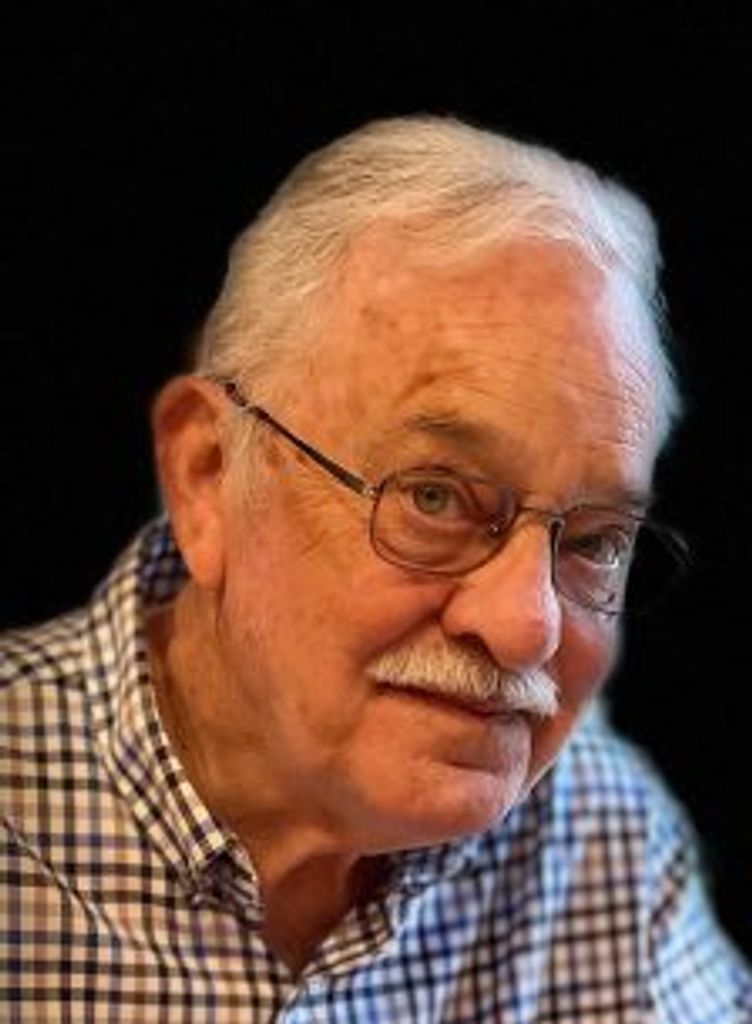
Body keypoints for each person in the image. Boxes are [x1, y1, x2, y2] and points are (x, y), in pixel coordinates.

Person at [1, 115, 750, 1022]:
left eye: (594, 542)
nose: (526, 626)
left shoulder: (601, 838)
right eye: (434, 497)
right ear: (208, 474)